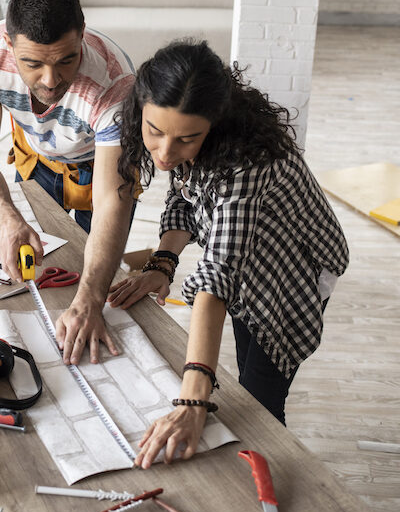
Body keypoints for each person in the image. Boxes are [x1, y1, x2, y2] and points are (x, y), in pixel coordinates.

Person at [105, 40, 348, 469]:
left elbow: (217, 275)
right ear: (141, 108)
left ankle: (272, 473)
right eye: (154, 132)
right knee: (242, 345)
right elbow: (184, 199)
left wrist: (192, 400)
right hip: (246, 260)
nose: (164, 154)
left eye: (186, 139)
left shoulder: (246, 163)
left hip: (295, 265)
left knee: (260, 399)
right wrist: (163, 262)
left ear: (214, 126)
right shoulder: (183, 140)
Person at [0, 0, 137, 365]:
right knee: (40, 267)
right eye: (32, 63)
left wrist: (92, 299)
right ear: (9, 45)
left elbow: (112, 200)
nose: (50, 80)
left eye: (65, 60)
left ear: (82, 38)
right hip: (36, 154)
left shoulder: (116, 84)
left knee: (93, 280)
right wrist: (8, 220)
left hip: (99, 167)